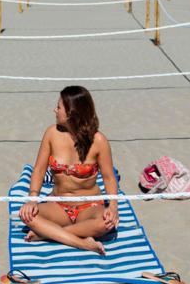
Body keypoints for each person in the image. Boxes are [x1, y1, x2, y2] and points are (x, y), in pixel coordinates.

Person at [19, 86, 118, 255]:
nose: (54, 110)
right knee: (26, 215)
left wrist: (113, 208)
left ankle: (47, 234)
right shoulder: (51, 134)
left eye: (58, 107)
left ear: (71, 113)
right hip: (57, 204)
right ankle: (83, 243)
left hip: (89, 206)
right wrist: (32, 199)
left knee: (105, 224)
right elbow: (39, 170)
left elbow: (109, 178)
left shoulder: (98, 140)